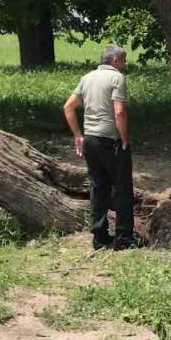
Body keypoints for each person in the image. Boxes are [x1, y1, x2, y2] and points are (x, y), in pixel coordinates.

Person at [63, 45, 136, 250]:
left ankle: (99, 236)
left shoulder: (87, 78)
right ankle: (124, 238)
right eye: (123, 61)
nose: (124, 65)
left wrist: (78, 135)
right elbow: (119, 111)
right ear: (115, 61)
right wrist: (123, 138)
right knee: (122, 188)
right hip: (110, 140)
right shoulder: (117, 78)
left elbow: (68, 107)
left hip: (90, 140)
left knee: (98, 187)